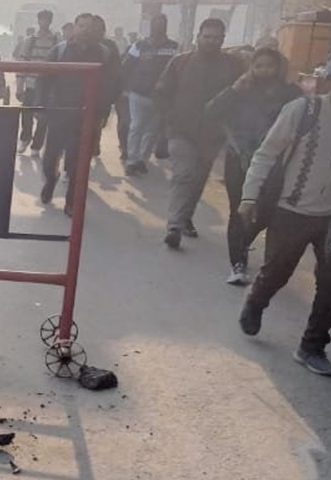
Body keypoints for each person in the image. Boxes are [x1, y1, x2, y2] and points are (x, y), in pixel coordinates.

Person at [238, 53, 331, 377]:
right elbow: (266, 153)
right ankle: (257, 299)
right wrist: (249, 195)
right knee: (278, 271)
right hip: (292, 209)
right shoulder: (305, 110)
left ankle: (312, 345)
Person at [206, 48, 302, 285]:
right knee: (239, 209)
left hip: (275, 163)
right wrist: (233, 91)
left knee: (267, 211)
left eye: (269, 66)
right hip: (239, 157)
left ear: (278, 67)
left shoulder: (291, 94)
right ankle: (237, 262)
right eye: (259, 66)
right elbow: (210, 111)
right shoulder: (240, 89)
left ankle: (242, 242)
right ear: (252, 67)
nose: (264, 71)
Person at [154, 18, 246, 249]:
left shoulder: (234, 66)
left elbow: (242, 95)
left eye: (216, 38)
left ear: (223, 39)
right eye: (207, 37)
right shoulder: (180, 63)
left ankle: (186, 217)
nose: (211, 41)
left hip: (212, 134)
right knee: (183, 175)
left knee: (198, 178)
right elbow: (162, 92)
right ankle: (174, 225)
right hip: (181, 130)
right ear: (198, 37)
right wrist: (168, 120)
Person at [38, 13, 118, 216]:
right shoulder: (60, 50)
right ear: (74, 27)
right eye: (81, 26)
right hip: (60, 113)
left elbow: (112, 84)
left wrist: (102, 108)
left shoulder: (104, 54)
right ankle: (51, 180)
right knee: (49, 158)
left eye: (89, 27)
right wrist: (41, 106)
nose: (85, 30)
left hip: (85, 116)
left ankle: (71, 201)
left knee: (77, 162)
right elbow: (44, 80)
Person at [122, 14, 179, 175]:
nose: (158, 27)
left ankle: (142, 159)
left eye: (162, 24)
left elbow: (178, 71)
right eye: (156, 23)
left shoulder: (174, 47)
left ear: (166, 26)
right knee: (137, 126)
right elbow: (127, 66)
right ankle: (132, 160)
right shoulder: (138, 45)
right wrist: (125, 88)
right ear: (151, 26)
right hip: (138, 93)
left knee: (152, 130)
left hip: (160, 96)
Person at [15, 9, 59, 156]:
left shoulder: (56, 41)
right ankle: (25, 138)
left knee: (43, 117)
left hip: (47, 86)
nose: (44, 22)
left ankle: (37, 145)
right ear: (38, 21)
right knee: (26, 113)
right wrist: (20, 86)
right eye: (42, 19)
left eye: (47, 19)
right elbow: (23, 63)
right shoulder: (30, 40)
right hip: (31, 84)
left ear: (50, 21)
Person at [93, 16, 127, 159]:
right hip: (82, 92)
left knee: (99, 121)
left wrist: (117, 91)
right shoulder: (81, 45)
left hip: (103, 92)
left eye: (99, 28)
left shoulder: (110, 46)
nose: (96, 31)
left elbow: (116, 69)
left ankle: (95, 141)